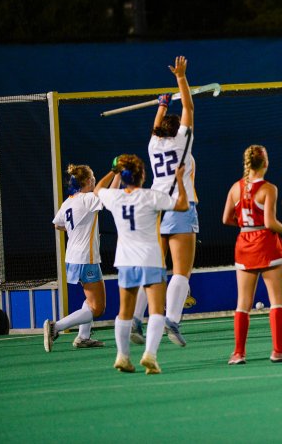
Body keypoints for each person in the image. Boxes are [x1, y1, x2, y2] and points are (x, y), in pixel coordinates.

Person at [95, 154, 189, 374]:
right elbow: (183, 205)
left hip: (126, 261)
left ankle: (123, 356)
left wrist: (113, 171)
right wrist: (181, 179)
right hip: (150, 260)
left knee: (124, 312)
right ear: (142, 176)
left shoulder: (115, 198)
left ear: (124, 176)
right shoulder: (151, 196)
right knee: (156, 311)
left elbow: (98, 189)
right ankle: (150, 355)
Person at [132, 55, 198, 348]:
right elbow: (189, 107)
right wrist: (181, 78)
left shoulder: (153, 144)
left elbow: (157, 125)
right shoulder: (182, 142)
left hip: (155, 208)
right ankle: (172, 318)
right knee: (181, 270)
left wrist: (161, 104)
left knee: (155, 268)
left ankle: (135, 319)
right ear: (178, 130)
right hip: (179, 206)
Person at [222, 145, 282, 363]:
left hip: (244, 244)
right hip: (266, 244)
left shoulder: (235, 188)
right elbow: (270, 222)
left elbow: (226, 219)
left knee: (243, 302)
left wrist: (244, 224)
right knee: (276, 300)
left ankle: (238, 353)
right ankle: (278, 350)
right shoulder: (269, 188)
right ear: (265, 163)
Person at [44, 164, 107, 352]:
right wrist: (115, 172)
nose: (94, 180)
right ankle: (56, 327)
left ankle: (83, 337)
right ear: (88, 181)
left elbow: (57, 225)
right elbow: (102, 191)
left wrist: (77, 230)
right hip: (85, 258)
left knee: (90, 300)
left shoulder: (68, 202)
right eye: (93, 177)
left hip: (72, 258)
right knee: (97, 308)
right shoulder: (87, 199)